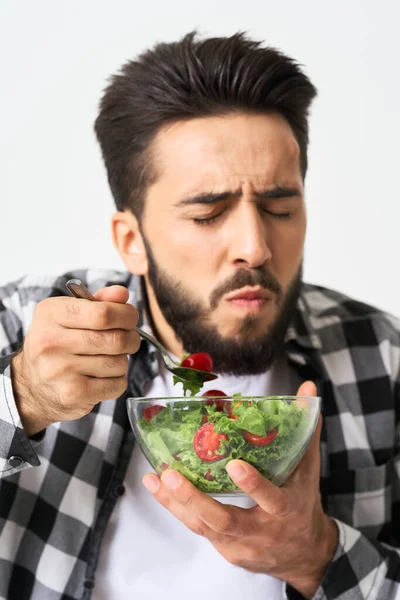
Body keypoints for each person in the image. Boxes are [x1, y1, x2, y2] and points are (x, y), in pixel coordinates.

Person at [0, 31, 399, 600]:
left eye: (280, 207)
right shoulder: (23, 325)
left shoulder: (381, 355)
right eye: (209, 214)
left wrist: (318, 558)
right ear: (131, 239)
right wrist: (22, 398)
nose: (255, 247)